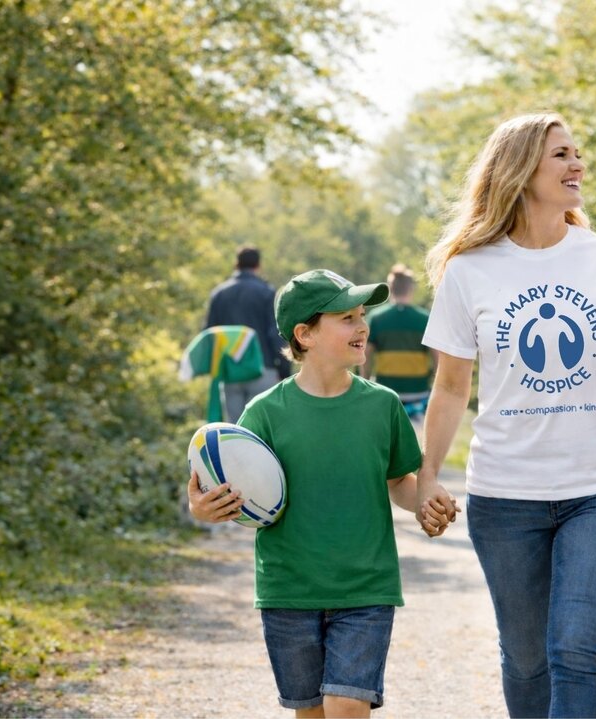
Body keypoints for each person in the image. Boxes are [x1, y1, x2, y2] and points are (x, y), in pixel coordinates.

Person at [414, 113, 596, 718]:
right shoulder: (470, 269)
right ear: (519, 171)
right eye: (561, 155)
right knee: (525, 659)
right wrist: (427, 476)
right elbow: (451, 388)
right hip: (505, 495)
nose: (578, 164)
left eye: (577, 152)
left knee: (575, 649)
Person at [187, 268, 456, 717]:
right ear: (305, 334)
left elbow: (398, 482)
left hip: (366, 588)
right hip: (289, 590)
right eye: (347, 318)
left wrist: (425, 503)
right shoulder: (264, 412)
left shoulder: (382, 405)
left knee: (346, 705)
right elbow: (226, 487)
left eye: (362, 315)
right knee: (311, 713)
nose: (362, 326)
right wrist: (204, 508)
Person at [205, 246, 290, 422]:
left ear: (236, 264)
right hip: (263, 369)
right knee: (261, 428)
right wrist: (284, 370)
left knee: (235, 429)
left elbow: (210, 335)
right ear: (258, 265)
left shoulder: (219, 294)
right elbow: (274, 334)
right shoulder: (267, 293)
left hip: (231, 371)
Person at [360, 263, 436, 422]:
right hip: (418, 396)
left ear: (390, 288)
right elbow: (438, 361)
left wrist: (365, 387)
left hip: (384, 395)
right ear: (411, 289)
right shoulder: (425, 319)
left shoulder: (376, 318)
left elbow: (365, 358)